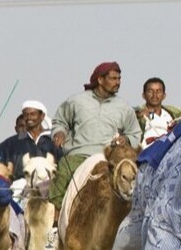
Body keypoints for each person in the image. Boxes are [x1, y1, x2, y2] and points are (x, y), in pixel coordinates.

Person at [47, 62, 142, 204]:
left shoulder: (124, 107)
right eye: (113, 79)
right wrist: (59, 133)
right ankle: (55, 214)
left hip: (108, 157)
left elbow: (135, 133)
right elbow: (60, 121)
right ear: (100, 80)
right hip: (78, 154)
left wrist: (126, 140)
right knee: (62, 174)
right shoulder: (76, 101)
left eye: (119, 79)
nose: (118, 82)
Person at [0, 101, 62, 174]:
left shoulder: (53, 139)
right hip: (19, 186)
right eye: (26, 115)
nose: (29, 118)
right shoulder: (13, 142)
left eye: (33, 114)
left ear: (42, 116)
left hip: (50, 184)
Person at [136, 77, 181, 147]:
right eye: (150, 91)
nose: (155, 95)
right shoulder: (137, 114)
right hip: (145, 154)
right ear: (144, 95)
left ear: (164, 95)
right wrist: (139, 116)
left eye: (158, 91)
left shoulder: (174, 114)